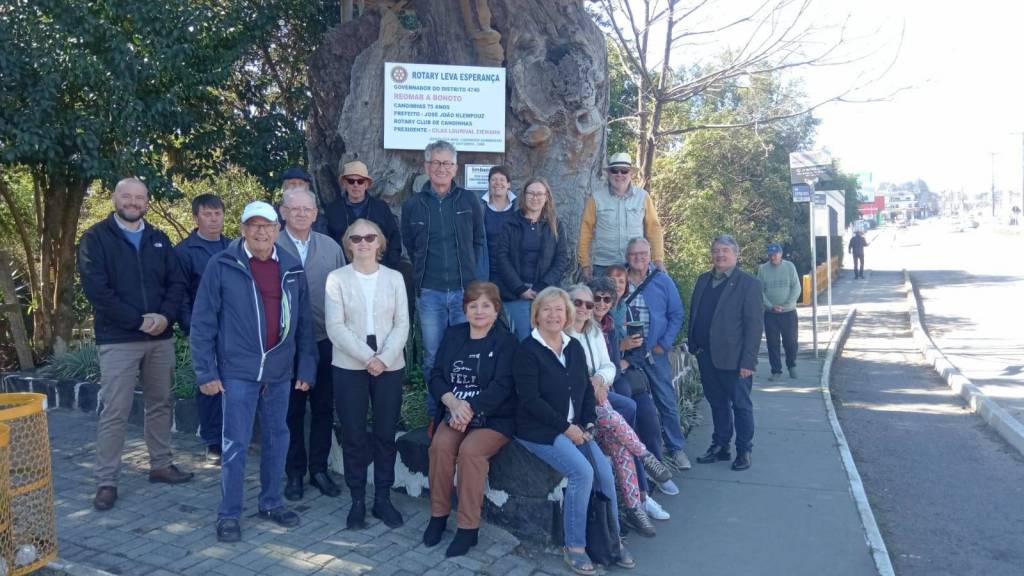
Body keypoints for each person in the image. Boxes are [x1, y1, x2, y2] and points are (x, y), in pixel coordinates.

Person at [190, 201, 317, 543]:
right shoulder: (222, 264)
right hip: (238, 370)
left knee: (277, 438)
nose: (261, 232)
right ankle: (229, 513)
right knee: (236, 443)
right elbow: (202, 322)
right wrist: (206, 372)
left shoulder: (291, 267)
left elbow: (304, 322)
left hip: (279, 371)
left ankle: (271, 503)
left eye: (267, 225)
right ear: (244, 229)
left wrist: (306, 366)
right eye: (254, 225)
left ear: (277, 229)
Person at [77, 177, 193, 512]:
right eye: (126, 196)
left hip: (160, 338)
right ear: (115, 198)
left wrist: (165, 317)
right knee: (115, 410)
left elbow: (176, 283)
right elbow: (97, 290)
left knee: (160, 403)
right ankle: (106, 481)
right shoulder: (95, 238)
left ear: (147, 201)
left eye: (139, 197)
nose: (133, 202)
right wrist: (137, 321)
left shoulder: (159, 238)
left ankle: (160, 465)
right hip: (119, 340)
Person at [513, 287, 634, 575]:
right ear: (536, 315)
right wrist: (567, 429)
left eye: (559, 309)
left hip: (575, 427)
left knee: (604, 471)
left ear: (567, 315)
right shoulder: (526, 351)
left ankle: (612, 539)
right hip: (539, 429)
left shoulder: (573, 347)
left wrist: (588, 423)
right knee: (582, 472)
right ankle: (575, 546)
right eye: (546, 309)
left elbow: (586, 392)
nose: (553, 315)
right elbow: (531, 401)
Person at [566, 284, 672, 538]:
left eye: (588, 304)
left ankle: (635, 507)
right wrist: (592, 385)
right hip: (576, 405)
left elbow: (609, 366)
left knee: (620, 445)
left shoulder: (594, 331)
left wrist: (600, 380)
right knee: (617, 414)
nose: (585, 308)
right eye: (578, 303)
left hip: (597, 399)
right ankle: (644, 456)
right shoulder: (562, 334)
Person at [325, 219, 410, 530]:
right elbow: (335, 326)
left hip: (389, 364)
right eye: (356, 238)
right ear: (348, 244)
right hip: (349, 365)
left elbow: (403, 323)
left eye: (370, 237)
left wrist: (383, 358)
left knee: (386, 435)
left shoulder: (394, 278)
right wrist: (367, 357)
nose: (363, 242)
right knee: (354, 435)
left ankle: (383, 499)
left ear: (380, 243)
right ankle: (358, 499)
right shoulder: (336, 279)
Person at [423, 281, 518, 557]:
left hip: (494, 417)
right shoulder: (454, 335)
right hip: (455, 412)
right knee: (440, 447)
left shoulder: (507, 342)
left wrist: (470, 409)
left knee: (470, 451)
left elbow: (503, 386)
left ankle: (468, 528)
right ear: (464, 309)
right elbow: (436, 375)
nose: (479, 311)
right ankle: (438, 515)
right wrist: (453, 403)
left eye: (486, 305)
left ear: (496, 310)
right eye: (473, 305)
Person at [401, 140, 484, 415]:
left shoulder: (469, 200)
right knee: (433, 356)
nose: (441, 168)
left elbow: (478, 241)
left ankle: (465, 411)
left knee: (465, 354)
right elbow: (410, 245)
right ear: (426, 166)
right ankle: (436, 412)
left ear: (455, 168)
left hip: (464, 292)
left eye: (447, 163)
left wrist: (472, 278)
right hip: (430, 292)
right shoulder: (413, 205)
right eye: (436, 162)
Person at [277, 185, 346, 501]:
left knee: (323, 408)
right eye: (295, 208)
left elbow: (344, 291)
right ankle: (294, 472)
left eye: (307, 209)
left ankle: (319, 469)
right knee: (290, 411)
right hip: (285, 345)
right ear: (283, 212)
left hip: (324, 340)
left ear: (316, 214)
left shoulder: (330, 247)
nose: (301, 214)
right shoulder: (271, 244)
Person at [688, 235, 763, 471]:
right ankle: (720, 446)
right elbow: (695, 312)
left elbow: (754, 326)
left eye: (725, 250)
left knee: (740, 405)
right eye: (716, 250)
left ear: (736, 254)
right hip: (706, 355)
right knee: (717, 403)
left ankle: (744, 450)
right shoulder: (703, 280)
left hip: (735, 359)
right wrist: (694, 345)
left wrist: (748, 361)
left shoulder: (748, 284)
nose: (720, 254)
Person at [622, 237, 690, 471]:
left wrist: (665, 343)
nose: (638, 258)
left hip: (653, 351)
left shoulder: (662, 280)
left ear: (650, 255)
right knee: (628, 401)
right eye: (633, 254)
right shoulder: (619, 278)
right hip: (626, 352)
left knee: (666, 400)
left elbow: (676, 314)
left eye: (643, 254)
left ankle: (676, 448)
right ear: (627, 256)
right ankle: (633, 453)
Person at [175, 193, 231, 464]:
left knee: (233, 383)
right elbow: (180, 296)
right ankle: (213, 441)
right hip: (204, 330)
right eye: (207, 214)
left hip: (234, 329)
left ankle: (232, 435)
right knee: (209, 383)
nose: (213, 219)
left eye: (217, 213)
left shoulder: (234, 247)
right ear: (196, 217)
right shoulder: (184, 252)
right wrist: (192, 329)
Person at [494, 178, 568, 340]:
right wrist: (520, 288)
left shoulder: (555, 224)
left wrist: (542, 287)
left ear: (546, 197)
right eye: (531, 193)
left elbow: (562, 258)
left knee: (545, 338)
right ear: (524, 195)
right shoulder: (510, 223)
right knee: (524, 339)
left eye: (539, 194)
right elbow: (502, 257)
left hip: (545, 292)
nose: (535, 198)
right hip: (516, 293)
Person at [578, 153, 665, 279]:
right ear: (609, 174)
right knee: (603, 293)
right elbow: (585, 232)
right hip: (604, 266)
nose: (619, 174)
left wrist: (658, 259)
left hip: (636, 265)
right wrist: (585, 264)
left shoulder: (643, 197)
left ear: (631, 174)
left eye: (624, 171)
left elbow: (653, 229)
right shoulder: (596, 198)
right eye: (615, 170)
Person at [324, 160, 402, 270]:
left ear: (366, 184)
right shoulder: (333, 210)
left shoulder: (381, 208)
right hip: (344, 271)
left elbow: (394, 238)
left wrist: (389, 267)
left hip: (378, 270)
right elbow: (327, 243)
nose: (355, 185)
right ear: (344, 183)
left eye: (360, 181)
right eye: (351, 181)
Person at [756, 243, 801, 380]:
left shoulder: (789, 267)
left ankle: (791, 365)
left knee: (791, 341)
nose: (773, 257)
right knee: (772, 343)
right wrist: (770, 306)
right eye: (771, 254)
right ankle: (776, 370)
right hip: (771, 313)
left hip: (788, 312)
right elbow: (759, 291)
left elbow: (796, 288)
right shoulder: (763, 269)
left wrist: (786, 305)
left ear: (781, 254)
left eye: (775, 254)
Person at [476, 165, 517, 281]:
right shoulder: (480, 207)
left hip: (513, 272)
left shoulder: (518, 207)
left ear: (509, 184)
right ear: (489, 183)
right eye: (494, 179)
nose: (498, 183)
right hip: (487, 271)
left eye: (502, 179)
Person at [279, 166, 329, 234]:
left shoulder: (317, 217)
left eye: (301, 184)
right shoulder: (272, 214)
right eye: (292, 183)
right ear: (284, 187)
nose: (297, 187)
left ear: (307, 188)